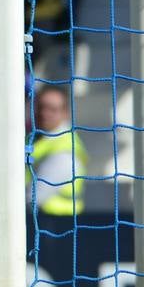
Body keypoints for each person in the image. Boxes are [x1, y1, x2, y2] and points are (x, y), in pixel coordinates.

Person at [28, 84, 88, 215]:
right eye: (41, 107)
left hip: (57, 223)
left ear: (65, 113)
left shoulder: (64, 151)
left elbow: (35, 196)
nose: (45, 113)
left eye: (52, 109)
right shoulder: (36, 138)